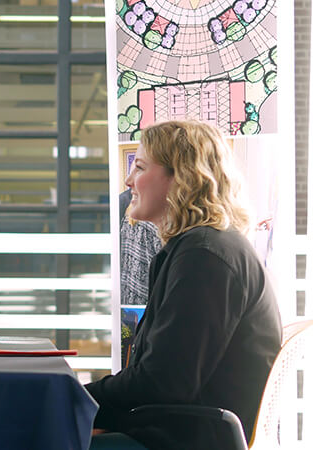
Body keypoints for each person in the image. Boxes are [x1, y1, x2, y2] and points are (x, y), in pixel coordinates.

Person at [86, 120, 281, 449]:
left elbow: (164, 382)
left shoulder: (205, 257)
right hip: (182, 430)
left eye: (141, 167)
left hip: (190, 439)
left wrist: (73, 400)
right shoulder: (200, 247)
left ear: (182, 178)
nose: (129, 180)